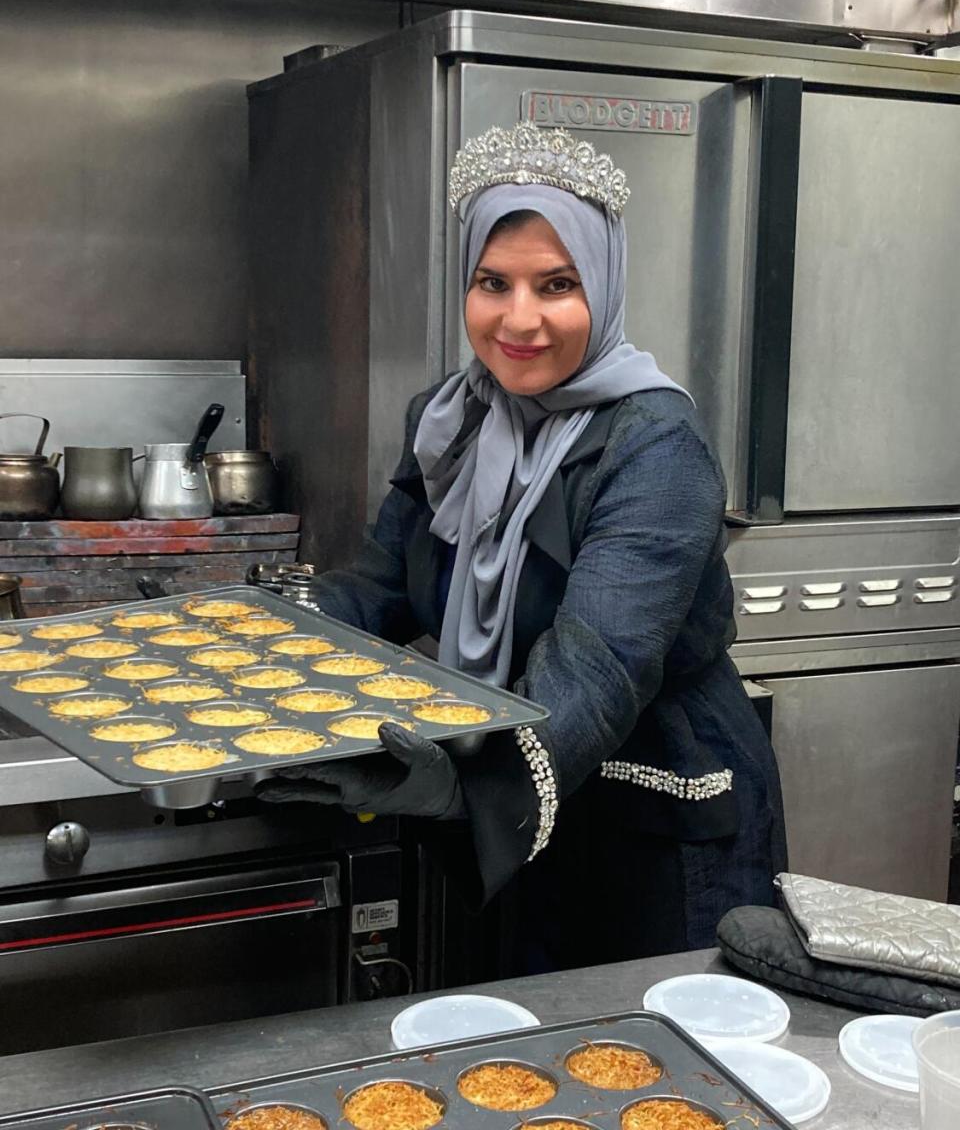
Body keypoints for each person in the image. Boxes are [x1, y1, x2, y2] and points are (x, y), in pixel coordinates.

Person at [259, 121, 787, 970]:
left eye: (558, 284)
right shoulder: (451, 418)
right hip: (507, 794)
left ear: (605, 288)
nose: (520, 319)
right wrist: (254, 628)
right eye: (492, 282)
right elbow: (382, 589)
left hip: (649, 822)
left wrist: (467, 784)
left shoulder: (656, 447)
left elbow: (599, 666)